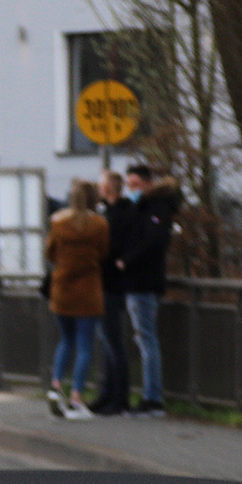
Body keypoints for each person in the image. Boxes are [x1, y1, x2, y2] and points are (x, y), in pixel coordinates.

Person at [115, 165, 181, 415]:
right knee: (144, 338)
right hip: (138, 280)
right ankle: (150, 397)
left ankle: (153, 398)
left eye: (135, 185)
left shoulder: (156, 208)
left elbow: (152, 241)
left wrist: (127, 260)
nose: (132, 190)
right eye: (129, 185)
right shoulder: (145, 207)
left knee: (146, 340)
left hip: (142, 281)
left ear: (147, 183)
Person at [43, 179, 109, 419]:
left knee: (66, 341)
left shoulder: (59, 224)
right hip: (88, 290)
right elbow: (104, 252)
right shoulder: (99, 225)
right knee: (84, 346)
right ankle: (76, 398)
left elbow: (49, 252)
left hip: (62, 289)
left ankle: (56, 385)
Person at [90, 170, 136, 415]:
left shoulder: (116, 216)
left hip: (111, 284)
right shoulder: (114, 213)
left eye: (101, 185)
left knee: (113, 343)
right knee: (107, 342)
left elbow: (110, 248)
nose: (98, 189)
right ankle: (108, 394)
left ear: (109, 189)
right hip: (107, 283)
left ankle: (118, 398)